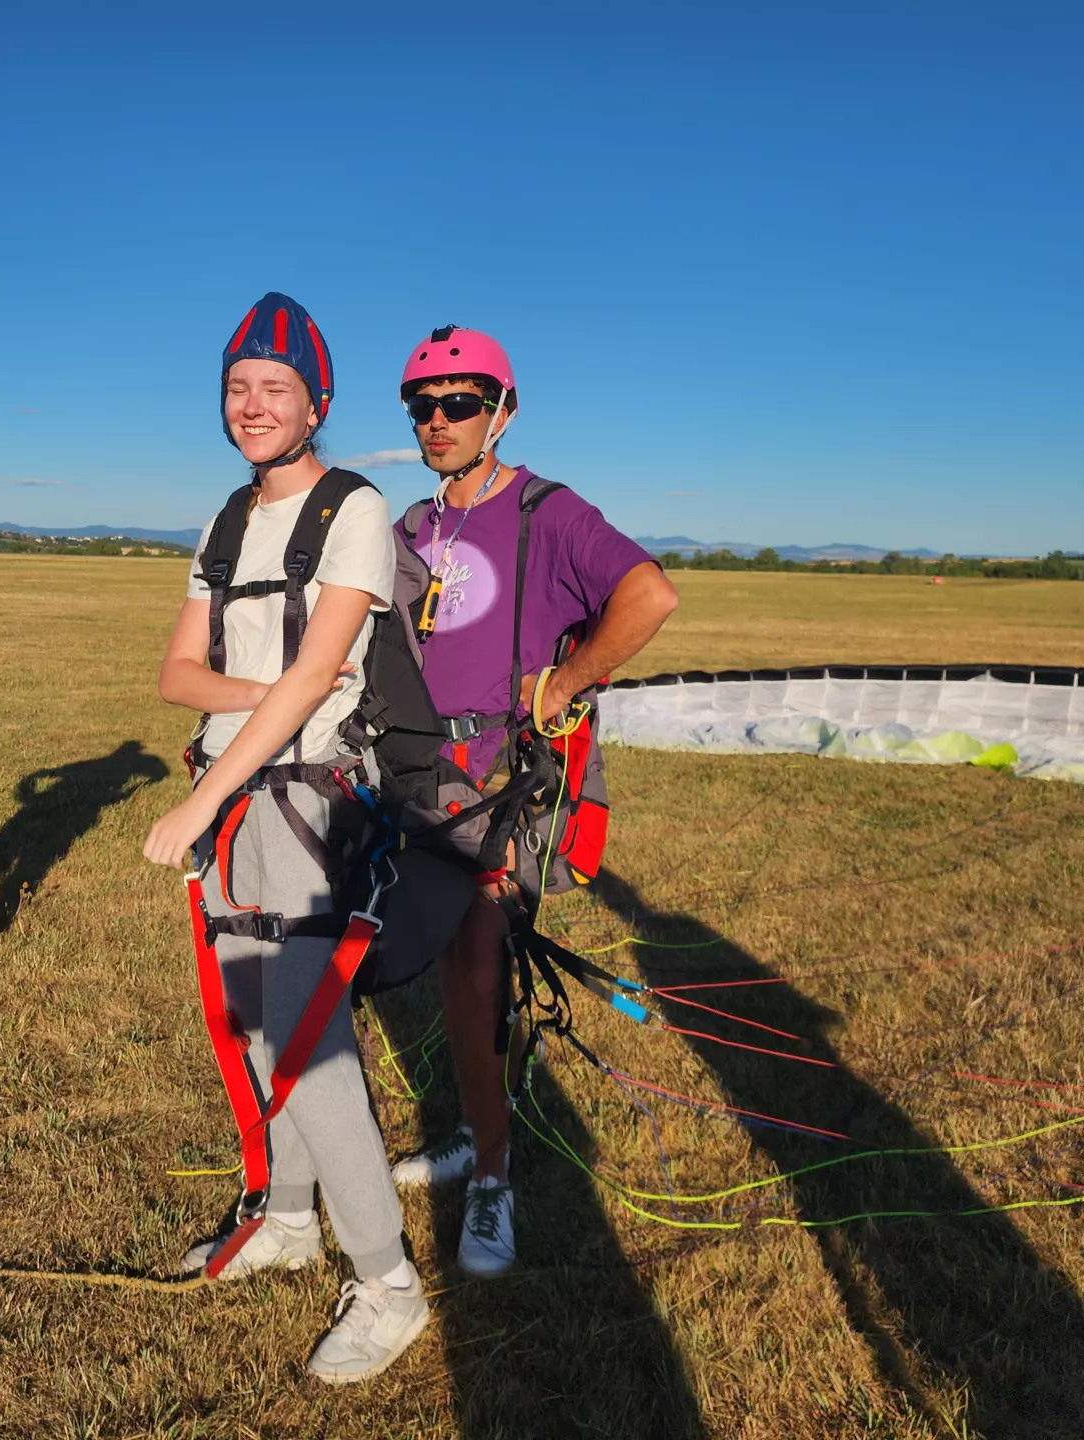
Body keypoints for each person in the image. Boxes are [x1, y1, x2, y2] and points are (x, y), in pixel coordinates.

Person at [143, 294, 428, 1383]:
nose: (254, 406)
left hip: (307, 801)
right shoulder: (222, 524)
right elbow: (177, 674)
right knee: (264, 1025)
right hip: (239, 790)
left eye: (277, 389)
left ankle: (390, 1282)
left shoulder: (357, 507)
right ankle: (294, 1220)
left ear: (319, 403)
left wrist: (203, 794)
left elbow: (325, 678)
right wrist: (267, 704)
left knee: (310, 1043)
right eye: (238, 388)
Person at [387, 326, 676, 1277]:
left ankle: (493, 1181)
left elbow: (649, 595)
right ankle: (482, 1127)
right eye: (422, 406)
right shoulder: (410, 529)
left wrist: (569, 682)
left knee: (474, 972)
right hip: (417, 772)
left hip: (507, 779)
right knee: (450, 973)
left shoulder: (549, 513)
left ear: (501, 412)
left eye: (459, 403)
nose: (438, 421)